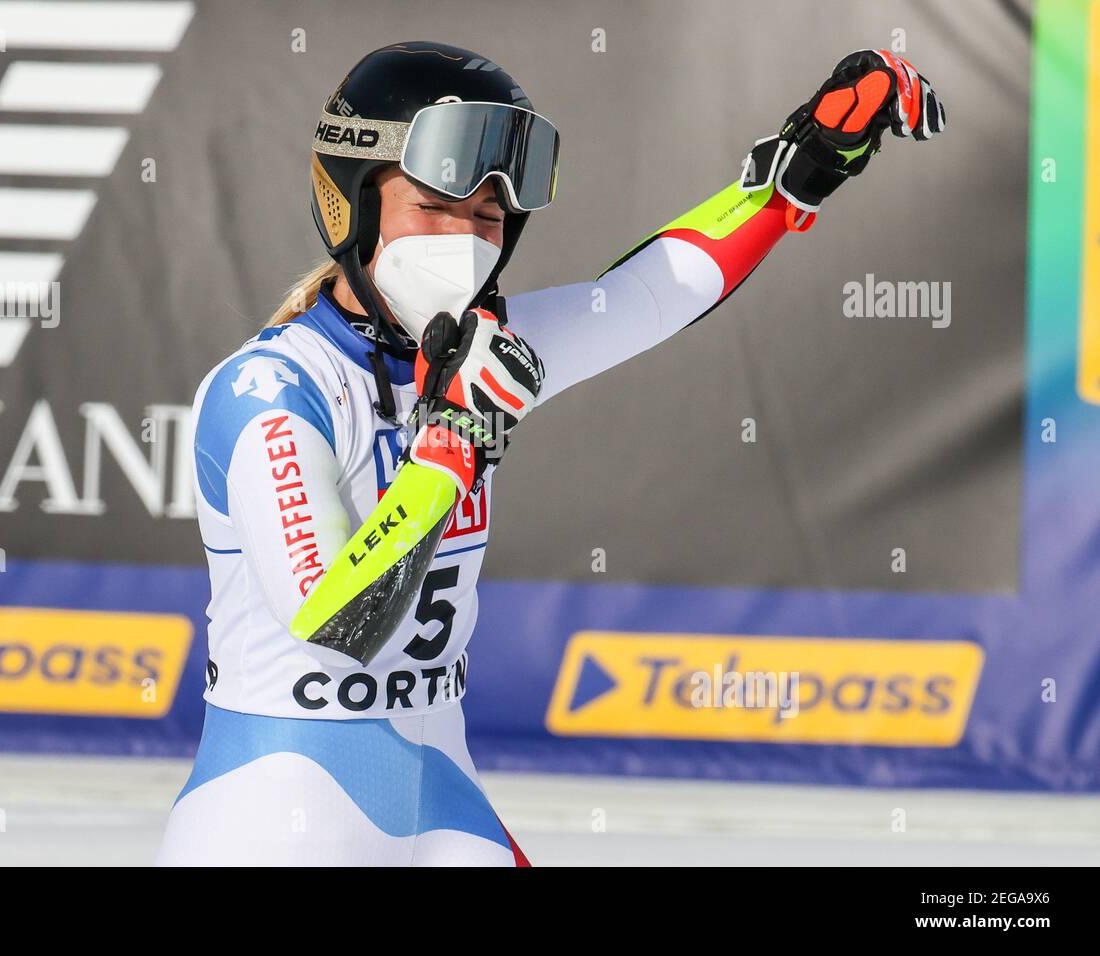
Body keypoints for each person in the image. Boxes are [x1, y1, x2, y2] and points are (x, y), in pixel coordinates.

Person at [156, 40, 944, 866]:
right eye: (433, 207)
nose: (465, 238)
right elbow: (331, 619)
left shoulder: (482, 354)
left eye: (489, 219)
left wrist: (804, 164)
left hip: (441, 795)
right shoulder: (269, 388)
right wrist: (451, 445)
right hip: (274, 816)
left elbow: (647, 295)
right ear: (351, 201)